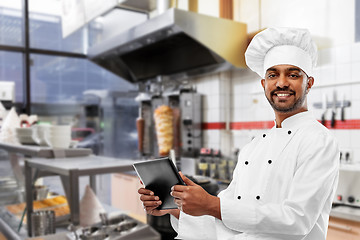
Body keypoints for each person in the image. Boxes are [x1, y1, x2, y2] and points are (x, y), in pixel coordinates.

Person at [138, 27, 339, 240]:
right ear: (264, 84)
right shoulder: (253, 148)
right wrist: (173, 208)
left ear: (309, 83)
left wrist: (211, 204)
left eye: (293, 74)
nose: (281, 83)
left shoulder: (318, 141)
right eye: (273, 75)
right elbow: (228, 223)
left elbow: (297, 220)